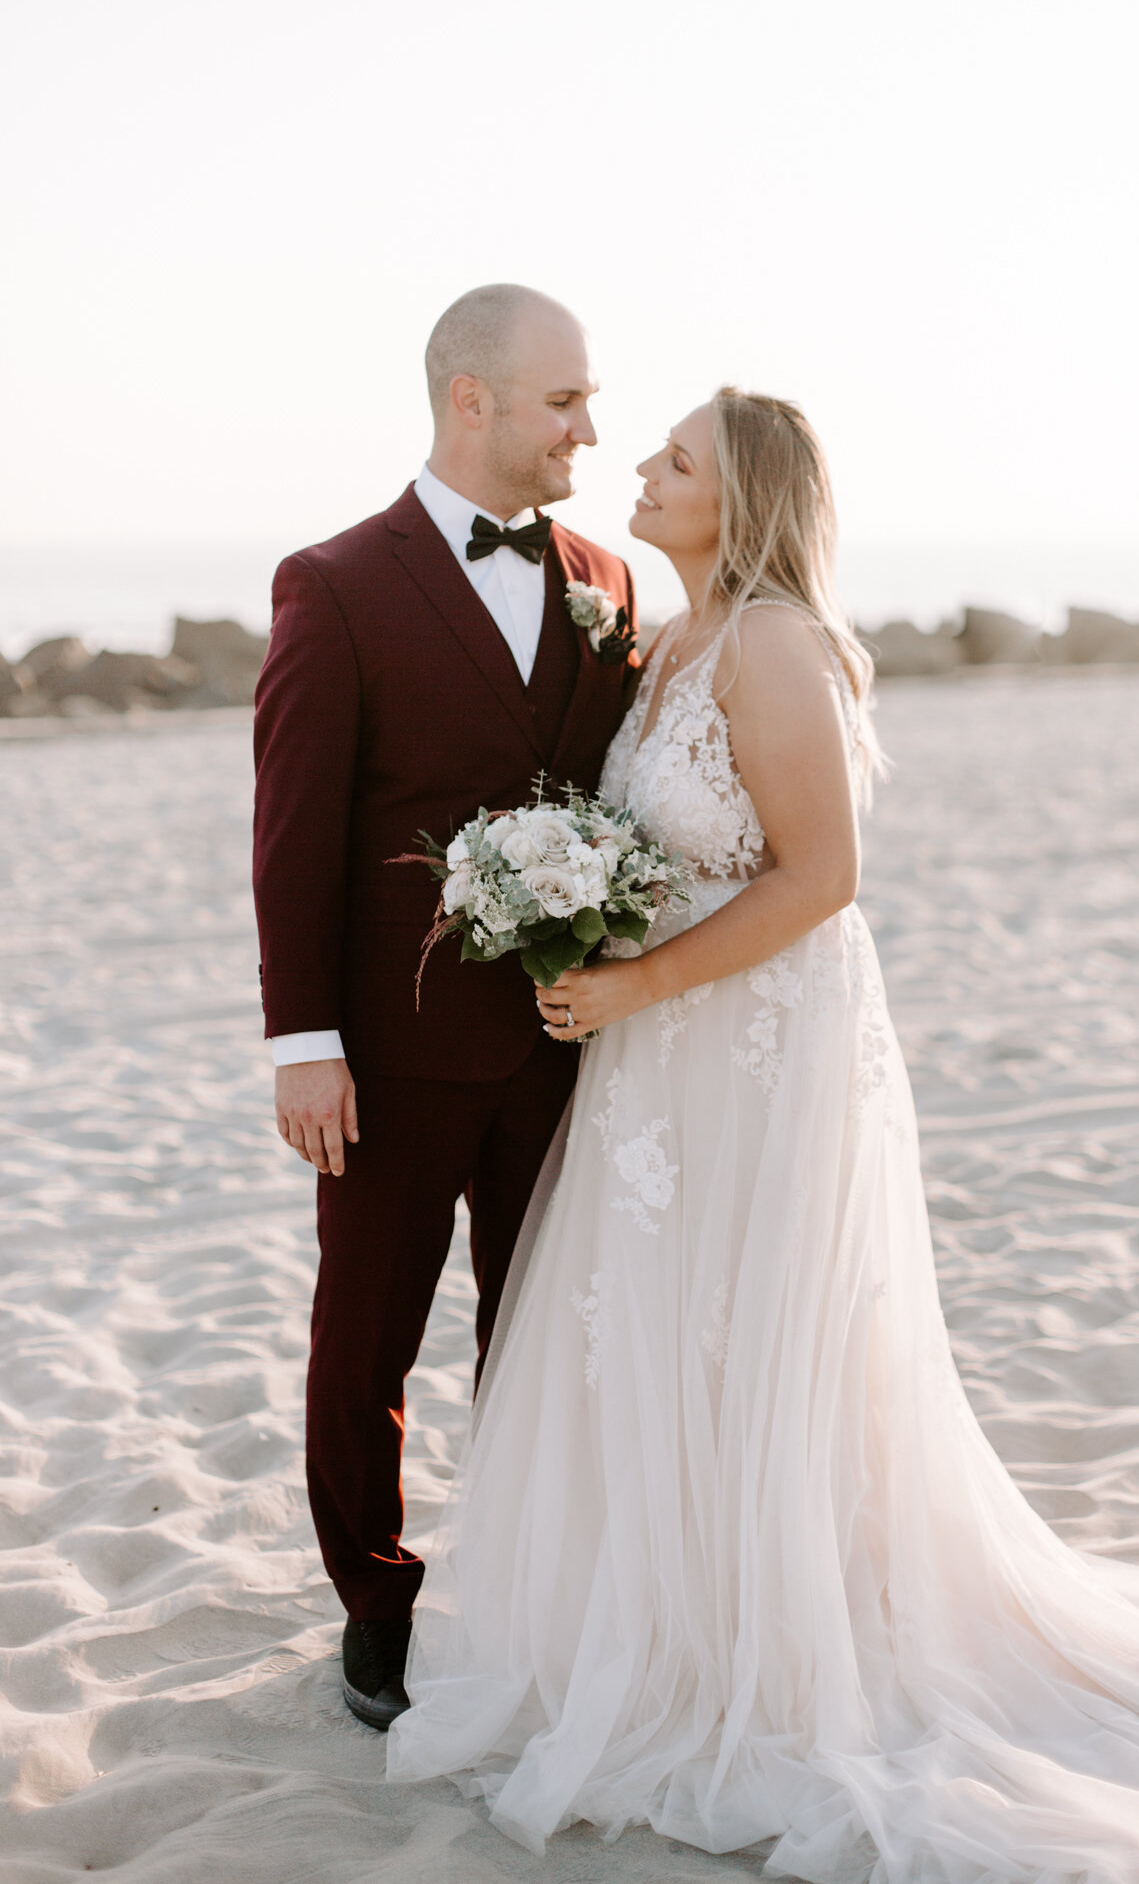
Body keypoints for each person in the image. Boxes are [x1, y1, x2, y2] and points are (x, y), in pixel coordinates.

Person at [387, 387, 1139, 1881]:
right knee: (654, 1327)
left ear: (742, 497)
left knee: (751, 1331)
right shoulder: (664, 638)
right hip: (661, 1047)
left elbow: (821, 875)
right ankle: (675, 1618)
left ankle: (776, 1648)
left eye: (676, 457)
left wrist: (633, 975)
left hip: (757, 1035)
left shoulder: (769, 645)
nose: (640, 464)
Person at [251, 285, 639, 1730]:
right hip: (389, 1059)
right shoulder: (336, 583)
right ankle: (377, 1603)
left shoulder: (606, 575)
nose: (586, 432)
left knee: (543, 1328)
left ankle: (531, 1590)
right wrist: (304, 1044)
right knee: (367, 1342)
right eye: (562, 402)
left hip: (563, 1043)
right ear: (469, 399)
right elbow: (292, 834)